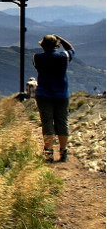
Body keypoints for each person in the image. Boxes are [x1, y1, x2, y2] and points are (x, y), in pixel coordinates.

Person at [32, 34, 75, 163]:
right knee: (62, 122)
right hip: (62, 94)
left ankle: (48, 152)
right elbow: (71, 49)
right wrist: (61, 39)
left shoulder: (37, 57)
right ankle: (63, 151)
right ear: (57, 45)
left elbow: (37, 66)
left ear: (43, 45)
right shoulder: (63, 57)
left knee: (47, 123)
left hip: (44, 94)